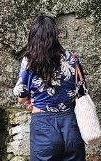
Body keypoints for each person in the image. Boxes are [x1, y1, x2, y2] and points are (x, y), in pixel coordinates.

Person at [13, 14, 87, 161]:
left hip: (43, 125)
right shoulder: (72, 59)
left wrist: (32, 100)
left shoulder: (30, 61)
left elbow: (21, 96)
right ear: (55, 35)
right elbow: (81, 91)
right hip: (71, 125)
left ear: (33, 35)